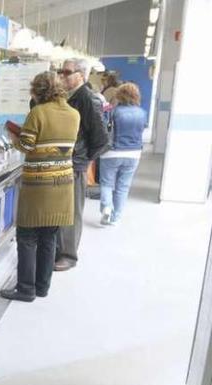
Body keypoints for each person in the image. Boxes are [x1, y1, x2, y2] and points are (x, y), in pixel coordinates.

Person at [0, 72, 81, 302]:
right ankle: (42, 287)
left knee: (27, 237)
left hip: (39, 186)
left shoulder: (38, 112)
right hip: (63, 184)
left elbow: (26, 146)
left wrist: (13, 136)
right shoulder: (74, 114)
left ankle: (25, 289)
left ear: (38, 91)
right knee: (49, 239)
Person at [54, 58, 109, 272]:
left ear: (81, 75)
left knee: (72, 211)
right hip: (64, 162)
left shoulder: (87, 98)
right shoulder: (70, 97)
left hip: (74, 166)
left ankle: (69, 255)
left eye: (66, 72)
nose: (62, 76)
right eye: (60, 71)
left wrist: (83, 159)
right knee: (61, 210)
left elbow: (102, 139)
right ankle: (60, 250)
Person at [98, 83, 146, 226]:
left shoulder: (112, 110)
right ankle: (115, 217)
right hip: (134, 153)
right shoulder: (142, 112)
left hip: (112, 152)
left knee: (106, 183)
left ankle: (106, 207)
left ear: (119, 95)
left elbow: (103, 123)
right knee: (123, 186)